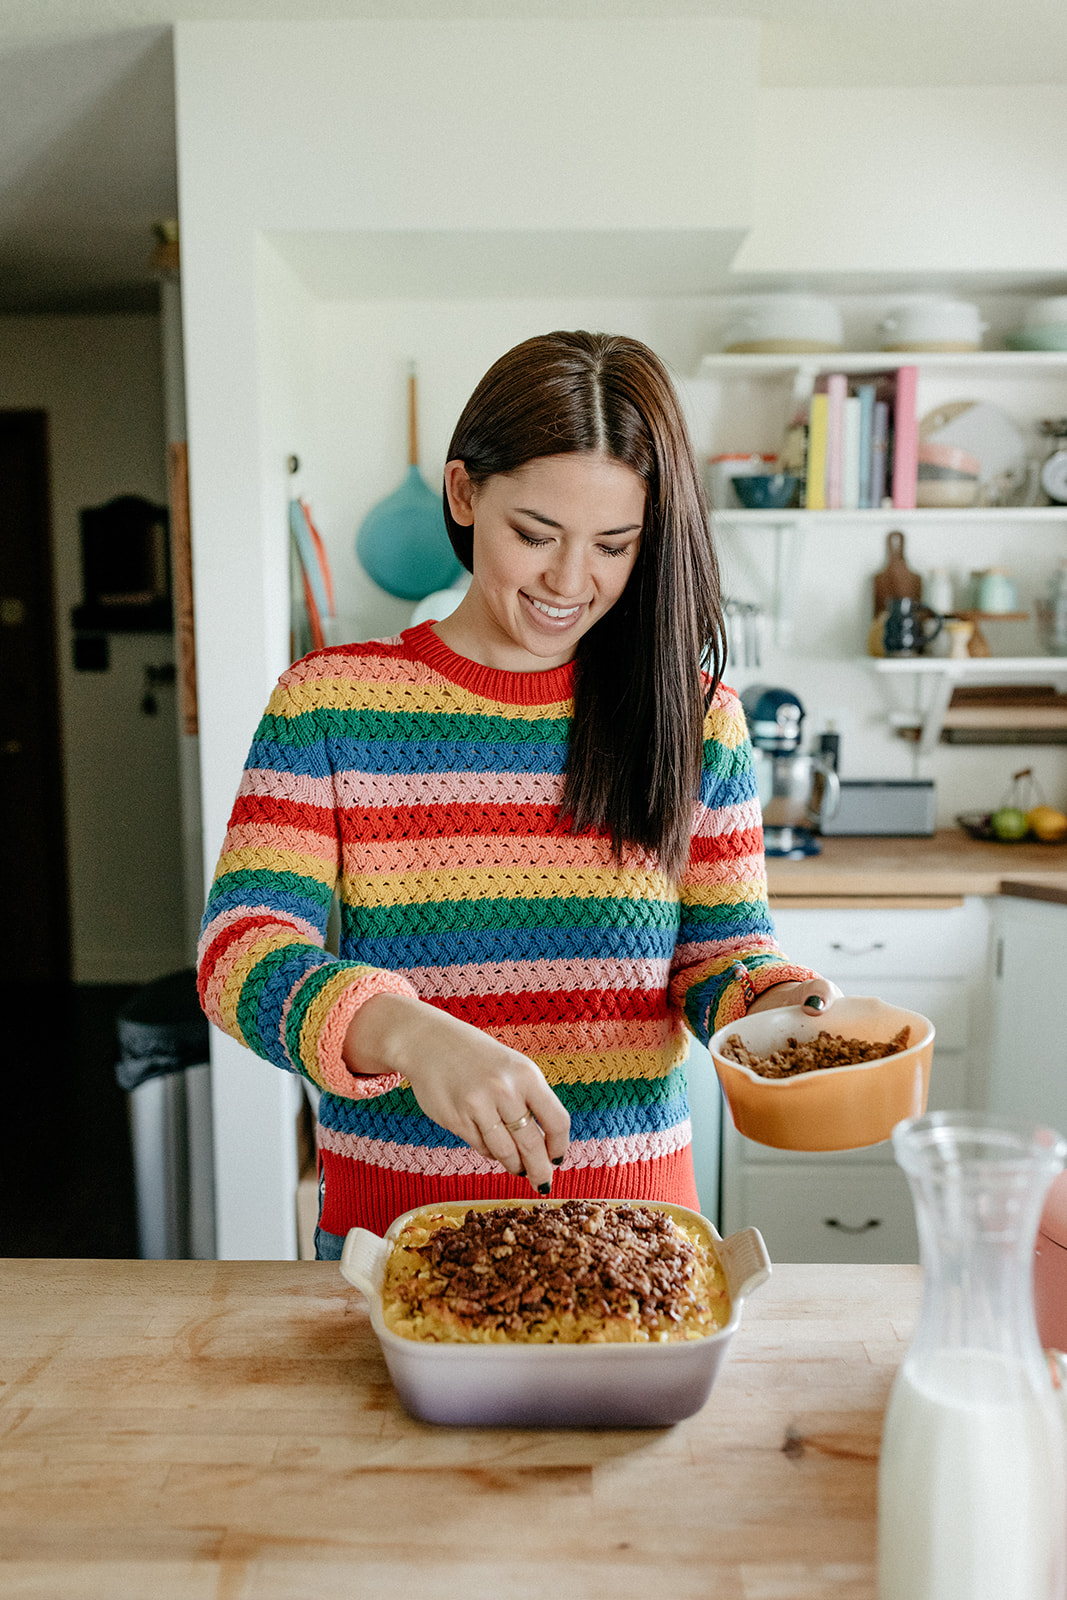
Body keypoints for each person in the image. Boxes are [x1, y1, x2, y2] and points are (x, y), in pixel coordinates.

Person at [197, 330, 839, 1259]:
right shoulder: (331, 701)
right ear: (464, 494)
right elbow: (240, 953)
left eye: (613, 545)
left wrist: (778, 1007)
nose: (568, 583)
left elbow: (720, 957)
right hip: (404, 1232)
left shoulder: (696, 717)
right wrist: (410, 1035)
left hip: (637, 1232)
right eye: (534, 535)